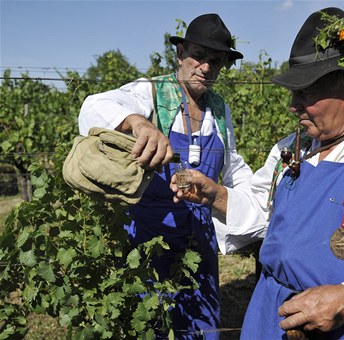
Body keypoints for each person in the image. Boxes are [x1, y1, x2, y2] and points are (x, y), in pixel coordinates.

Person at [170, 7, 344, 339]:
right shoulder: (289, 151)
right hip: (269, 317)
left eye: (305, 92)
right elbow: (262, 216)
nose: (293, 105)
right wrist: (216, 196)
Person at [78, 13, 253, 339]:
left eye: (216, 61)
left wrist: (252, 202)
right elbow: (95, 106)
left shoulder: (219, 109)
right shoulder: (150, 92)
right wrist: (138, 123)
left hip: (199, 242)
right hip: (148, 238)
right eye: (199, 56)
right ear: (180, 54)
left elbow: (231, 165)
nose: (206, 67)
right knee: (152, 321)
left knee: (202, 323)